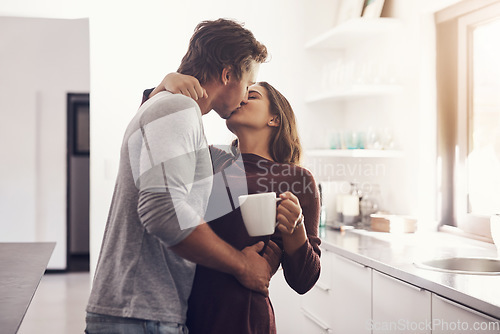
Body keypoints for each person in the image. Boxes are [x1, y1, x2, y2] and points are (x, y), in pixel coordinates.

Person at [85, 19, 271, 334]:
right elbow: (163, 211)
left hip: (140, 314)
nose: (246, 95)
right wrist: (243, 266)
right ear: (227, 74)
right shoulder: (177, 110)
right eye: (248, 83)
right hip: (140, 315)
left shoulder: (169, 108)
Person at [148, 75, 321, 334]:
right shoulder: (209, 160)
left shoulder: (297, 179)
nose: (242, 97)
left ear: (274, 119)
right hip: (188, 314)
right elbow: (153, 134)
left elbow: (304, 281)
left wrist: (296, 232)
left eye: (252, 96)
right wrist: (163, 86)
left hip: (246, 318)